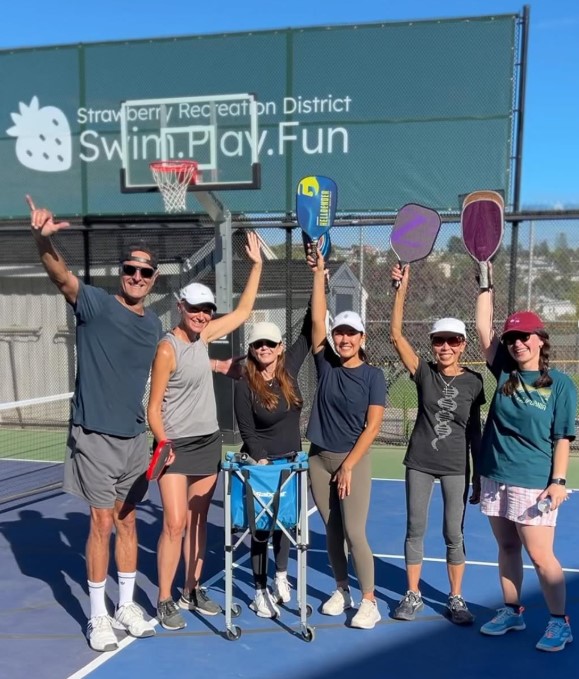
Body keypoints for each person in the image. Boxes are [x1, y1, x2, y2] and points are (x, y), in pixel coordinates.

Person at [27, 195, 161, 652]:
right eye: (130, 269)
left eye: (145, 272)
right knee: (101, 521)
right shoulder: (98, 305)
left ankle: (126, 605)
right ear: (121, 274)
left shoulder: (155, 326)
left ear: (154, 279)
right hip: (95, 436)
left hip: (134, 439)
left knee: (127, 521)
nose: (136, 277)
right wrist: (41, 240)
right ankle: (98, 615)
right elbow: (60, 276)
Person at [147, 232, 262, 631]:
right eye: (195, 309)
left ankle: (191, 590)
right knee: (175, 523)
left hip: (208, 443)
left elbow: (245, 312)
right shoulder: (168, 348)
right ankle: (164, 598)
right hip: (175, 448)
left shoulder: (205, 336)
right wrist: (164, 444)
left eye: (207, 310)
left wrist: (258, 265)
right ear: (181, 307)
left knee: (198, 523)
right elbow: (153, 407)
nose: (201, 315)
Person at [475, 264, 575, 652]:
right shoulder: (504, 372)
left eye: (524, 337)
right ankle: (513, 611)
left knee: (540, 554)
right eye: (512, 337)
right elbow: (484, 329)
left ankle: (558, 622)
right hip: (494, 475)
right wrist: (485, 278)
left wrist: (559, 480)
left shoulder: (561, 384)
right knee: (507, 547)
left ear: (540, 340)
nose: (517, 343)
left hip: (533, 481)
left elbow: (563, 437)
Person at [389, 263, 485, 624]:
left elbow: (474, 430)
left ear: (462, 345)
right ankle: (412, 594)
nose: (445, 346)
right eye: (439, 340)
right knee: (415, 528)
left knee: (453, 533)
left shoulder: (475, 382)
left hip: (457, 467)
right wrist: (402, 288)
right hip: (420, 464)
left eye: (453, 341)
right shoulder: (424, 372)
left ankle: (456, 599)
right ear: (432, 344)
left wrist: (478, 476)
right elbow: (397, 335)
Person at [305, 247, 386, 629]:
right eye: (340, 333)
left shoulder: (373, 377)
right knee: (331, 531)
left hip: (351, 462)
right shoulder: (326, 364)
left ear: (362, 337)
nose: (343, 338)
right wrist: (320, 272)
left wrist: (349, 466)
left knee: (355, 532)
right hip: (318, 460)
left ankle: (370, 601)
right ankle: (342, 590)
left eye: (351, 333)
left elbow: (372, 427)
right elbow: (318, 318)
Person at [234, 301, 312, 618]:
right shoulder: (244, 385)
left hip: (291, 464)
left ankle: (281, 577)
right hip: (263, 467)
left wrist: (318, 275)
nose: (264, 348)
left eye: (270, 343)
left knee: (285, 525)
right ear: (252, 349)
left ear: (280, 348)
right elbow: (247, 431)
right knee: (262, 529)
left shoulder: (289, 368)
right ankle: (258, 591)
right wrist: (261, 461)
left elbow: (309, 332)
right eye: (258, 344)